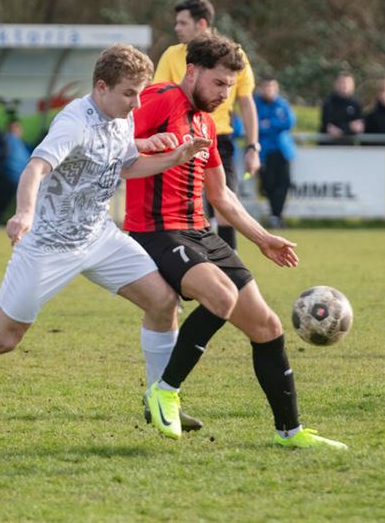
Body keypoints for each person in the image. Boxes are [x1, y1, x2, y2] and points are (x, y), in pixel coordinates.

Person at [0, 44, 212, 447]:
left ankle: (160, 400)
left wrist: (175, 157)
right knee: (2, 337)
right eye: (129, 93)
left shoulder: (122, 116)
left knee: (163, 302)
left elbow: (126, 165)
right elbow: (35, 168)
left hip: (99, 237)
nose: (137, 103)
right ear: (101, 87)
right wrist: (24, 213)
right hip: (49, 245)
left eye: (140, 93)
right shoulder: (74, 123)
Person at [126, 33, 346, 449]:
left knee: (268, 327)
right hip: (156, 230)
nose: (225, 94)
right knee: (221, 296)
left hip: (198, 232)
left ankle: (290, 432)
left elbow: (221, 195)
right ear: (192, 71)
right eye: (219, 84)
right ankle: (163, 391)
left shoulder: (206, 123)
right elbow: (112, 140)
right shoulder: (161, 99)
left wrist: (262, 239)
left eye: (230, 86)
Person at [153, 0, 259, 251]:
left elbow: (246, 102)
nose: (176, 28)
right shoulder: (172, 55)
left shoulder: (235, 57)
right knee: (184, 208)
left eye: (182, 23)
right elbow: (159, 97)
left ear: (201, 24)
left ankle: (228, 262)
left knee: (225, 205)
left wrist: (253, 147)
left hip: (219, 139)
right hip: (181, 141)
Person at [253, 76, 296, 229]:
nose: (269, 90)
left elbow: (289, 122)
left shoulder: (282, 104)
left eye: (271, 87)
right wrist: (274, 124)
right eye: (266, 87)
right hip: (264, 152)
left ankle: (277, 216)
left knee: (284, 184)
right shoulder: (255, 104)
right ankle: (274, 215)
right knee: (268, 185)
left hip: (282, 150)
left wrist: (269, 124)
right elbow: (255, 125)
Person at [319, 72, 364, 145]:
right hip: (328, 146)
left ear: (353, 85)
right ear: (336, 84)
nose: (344, 86)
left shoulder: (356, 104)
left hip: (348, 147)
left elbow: (358, 126)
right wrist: (349, 127)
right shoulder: (328, 103)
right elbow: (328, 126)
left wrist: (344, 129)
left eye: (347, 83)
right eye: (341, 83)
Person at [2, 118, 31, 187]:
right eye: (16, 127)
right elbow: (15, 164)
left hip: (24, 176)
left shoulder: (20, 142)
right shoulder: (11, 140)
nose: (19, 129)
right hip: (18, 178)